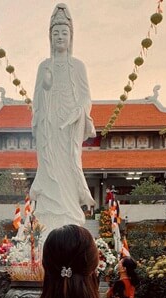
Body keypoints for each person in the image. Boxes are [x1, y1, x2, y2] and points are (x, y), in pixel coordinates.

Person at [30, 4, 96, 236]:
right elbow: (37, 97)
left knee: (69, 163)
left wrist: (79, 110)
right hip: (49, 125)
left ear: (71, 37)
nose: (60, 37)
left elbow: (86, 96)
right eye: (56, 33)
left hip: (70, 126)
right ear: (50, 37)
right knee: (49, 163)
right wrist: (45, 86)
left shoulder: (78, 66)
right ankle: (48, 207)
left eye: (64, 33)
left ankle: (69, 210)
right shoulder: (43, 66)